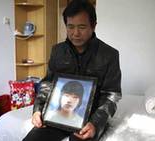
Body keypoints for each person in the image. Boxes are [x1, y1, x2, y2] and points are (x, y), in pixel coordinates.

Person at [23, 0, 122, 141]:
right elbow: (47, 84)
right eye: (70, 27)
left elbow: (112, 95)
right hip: (56, 114)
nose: (75, 33)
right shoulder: (57, 51)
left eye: (82, 27)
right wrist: (37, 110)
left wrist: (95, 123)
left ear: (93, 26)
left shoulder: (109, 54)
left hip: (90, 118)